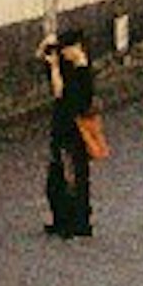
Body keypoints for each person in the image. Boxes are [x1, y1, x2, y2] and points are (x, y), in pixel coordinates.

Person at [43, 20, 102, 241]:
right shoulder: (74, 66)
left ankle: (76, 222)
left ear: (76, 48)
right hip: (64, 127)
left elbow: (62, 95)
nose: (64, 53)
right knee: (62, 176)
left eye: (66, 49)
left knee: (73, 176)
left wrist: (55, 68)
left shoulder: (83, 73)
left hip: (74, 130)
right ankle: (66, 220)